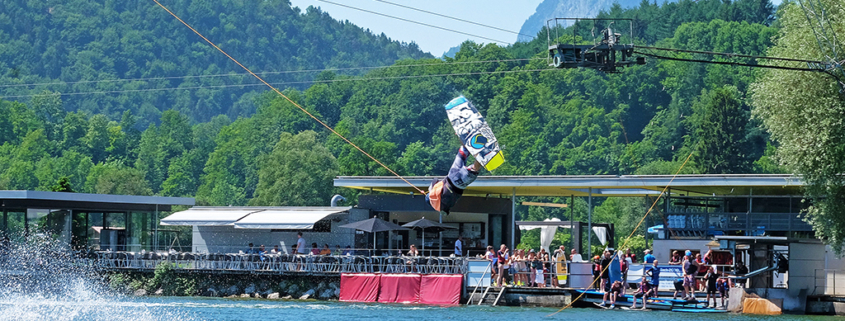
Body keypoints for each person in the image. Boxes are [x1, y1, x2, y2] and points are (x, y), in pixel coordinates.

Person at [425, 146, 482, 215]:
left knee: (474, 170)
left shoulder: (446, 205)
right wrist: (431, 189)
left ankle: (483, 155)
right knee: (462, 153)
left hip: (459, 184)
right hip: (451, 175)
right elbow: (435, 179)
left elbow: (445, 212)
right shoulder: (434, 192)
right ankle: (464, 137)